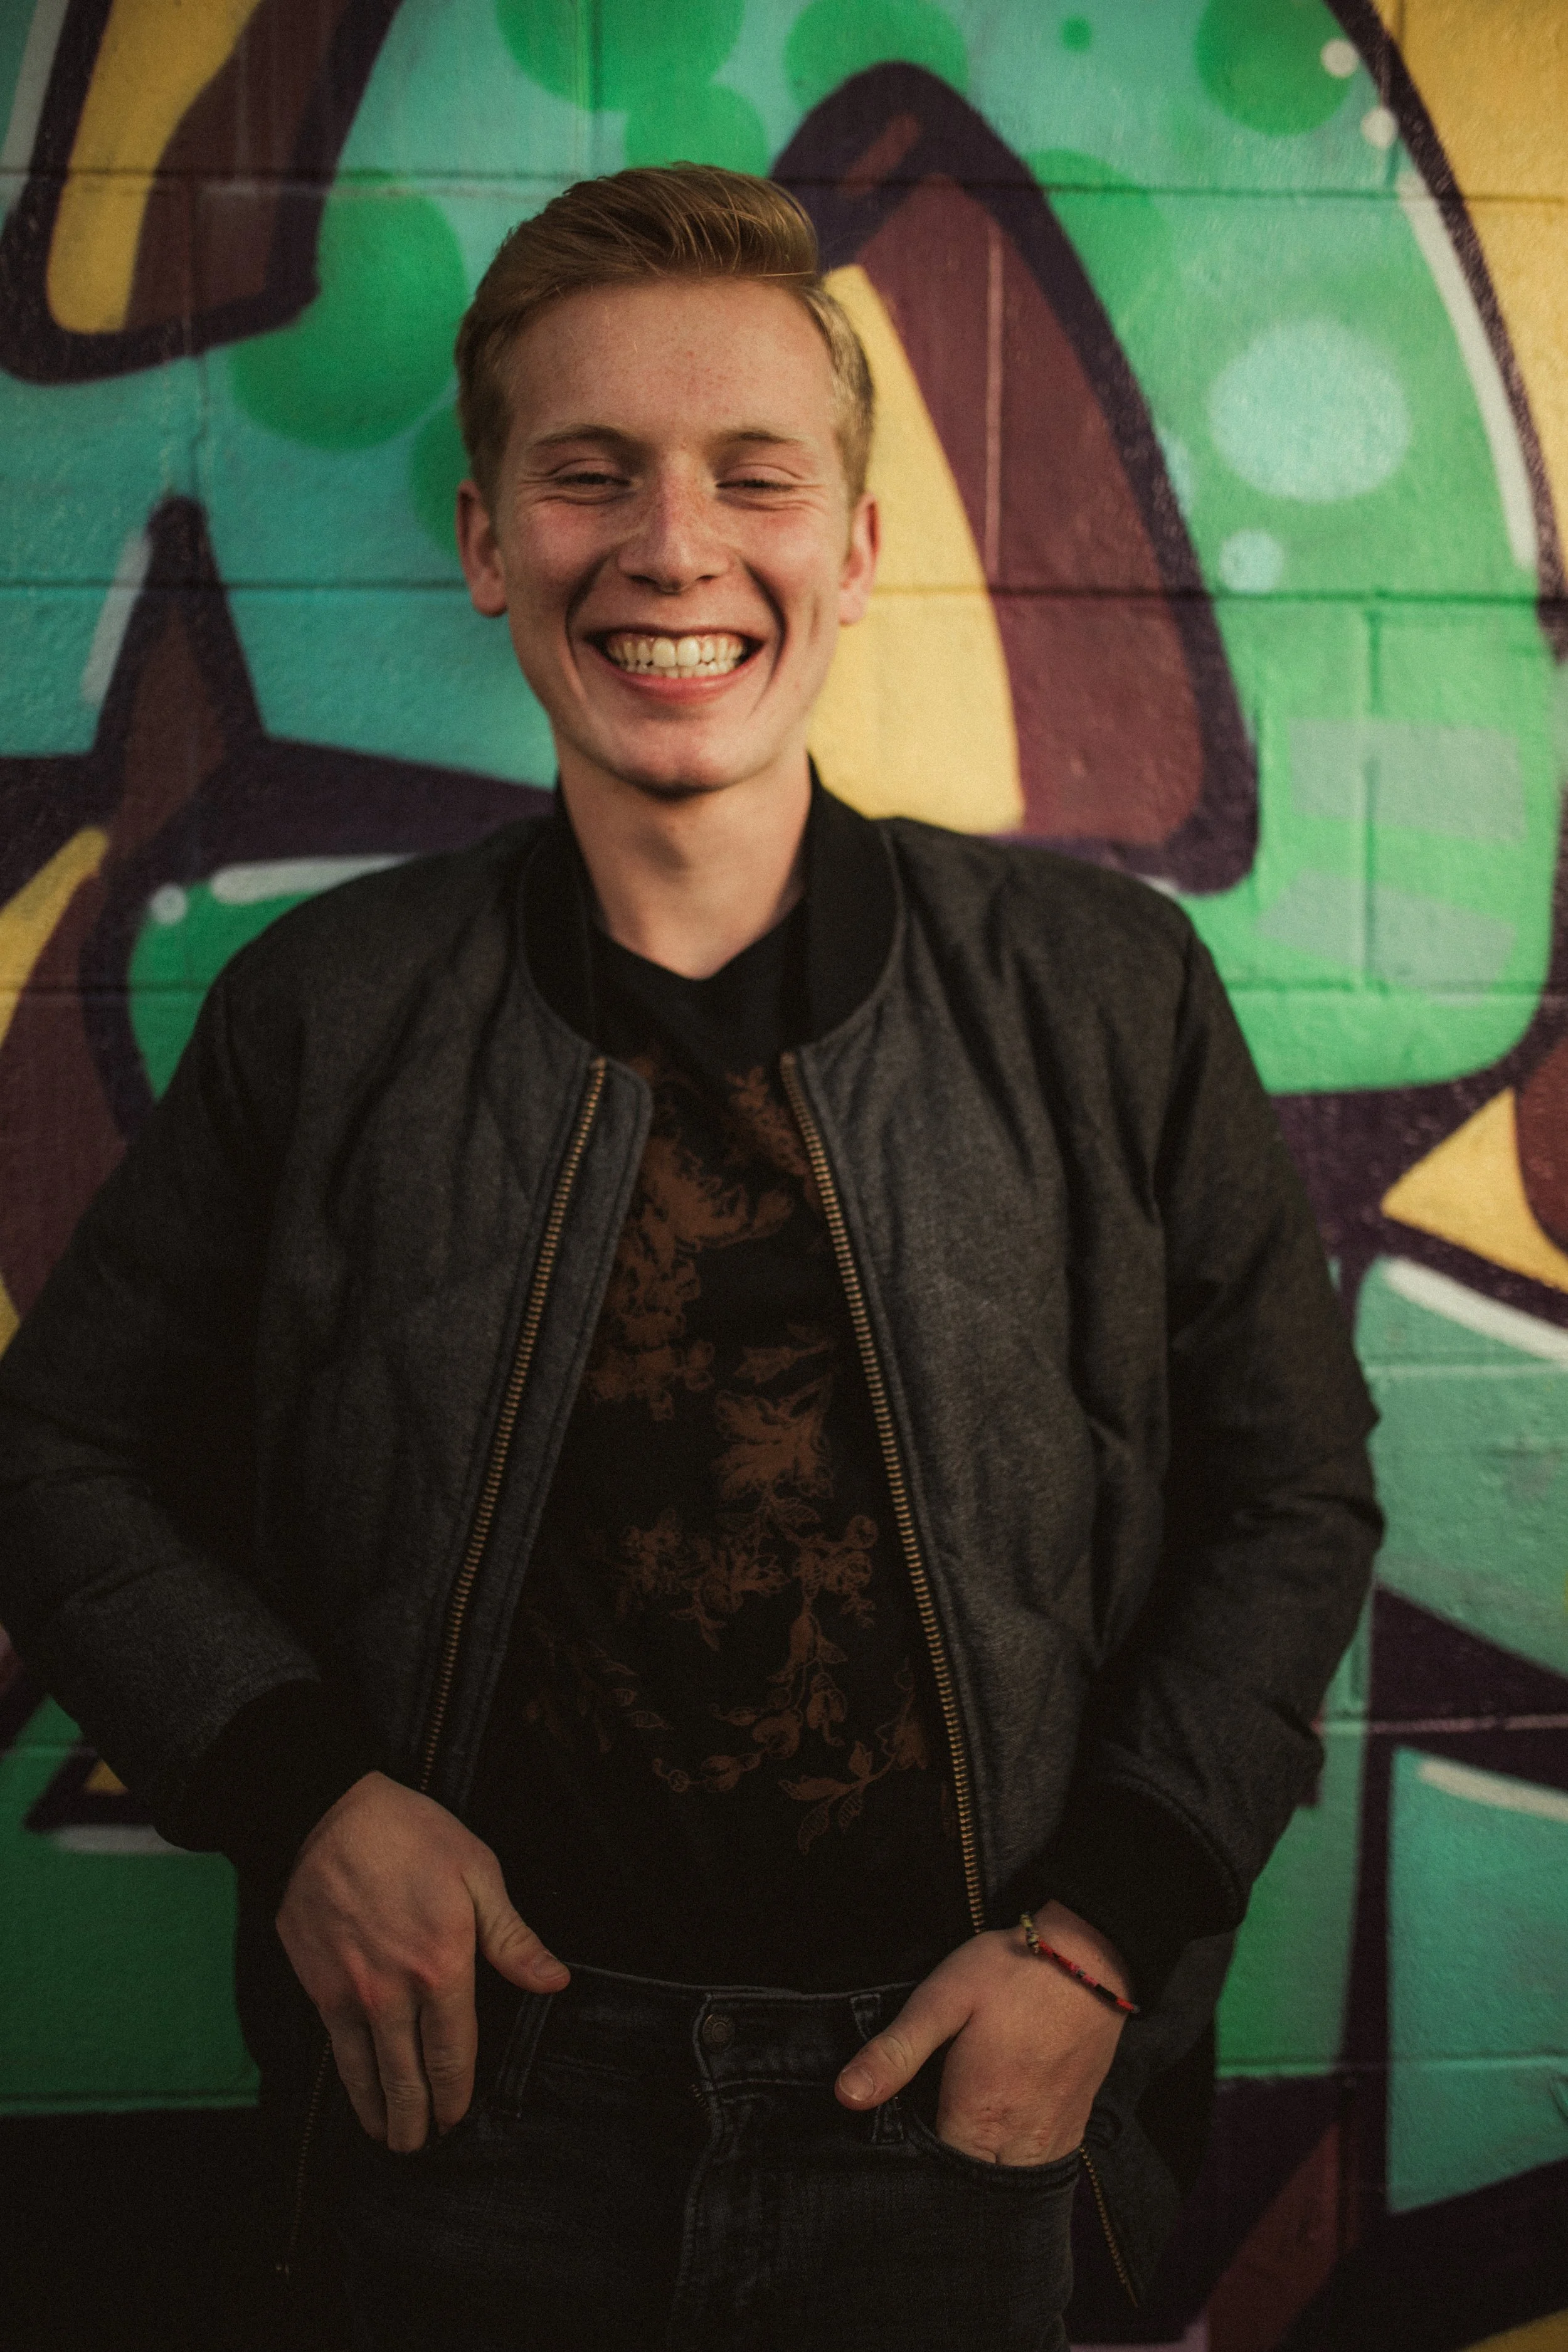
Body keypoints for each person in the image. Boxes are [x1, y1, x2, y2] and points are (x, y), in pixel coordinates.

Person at [0, 166, 1380, 2352]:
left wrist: (1098, 1946)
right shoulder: (324, 1010)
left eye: (753, 475)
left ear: (850, 544)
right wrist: (293, 1806)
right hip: (456, 2127)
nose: (670, 544)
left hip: (958, 2113)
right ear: (484, 544)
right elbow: (59, 1451)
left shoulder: (1103, 996)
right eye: (587, 475)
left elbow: (1291, 1494)